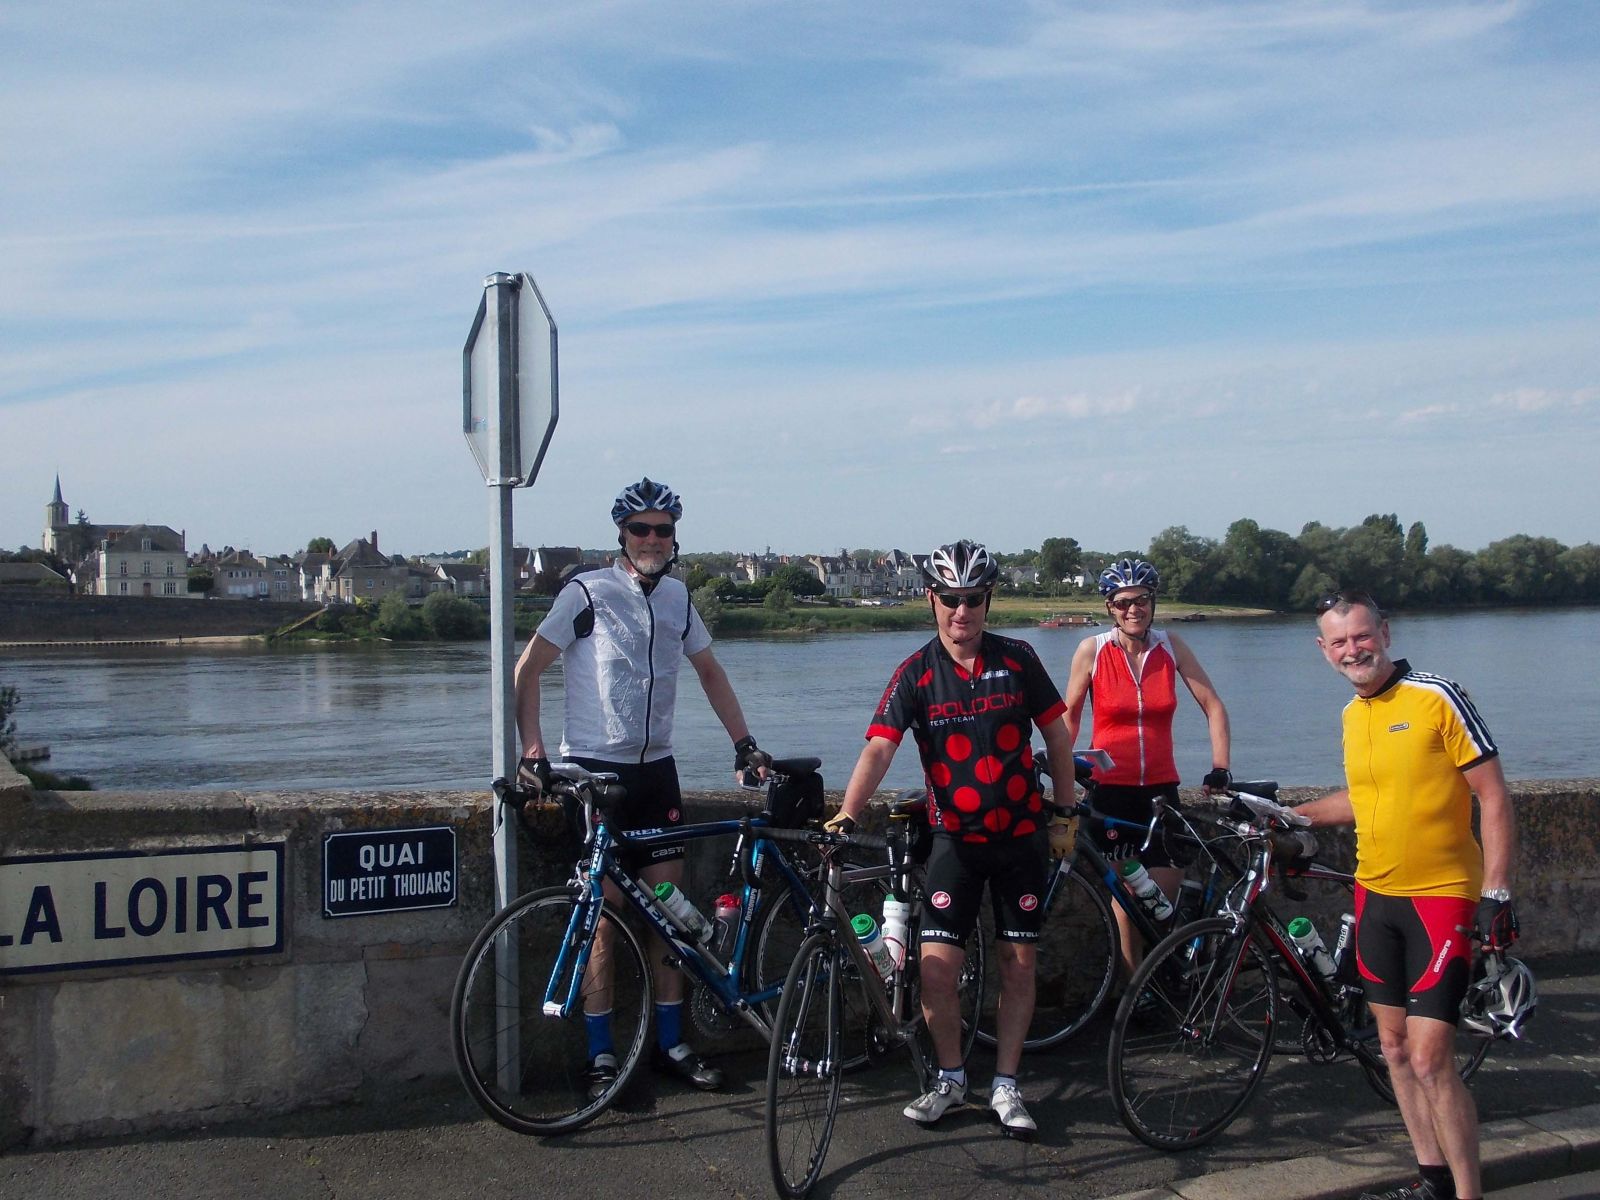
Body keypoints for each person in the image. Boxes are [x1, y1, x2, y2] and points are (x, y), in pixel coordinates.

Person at [513, 476, 769, 1097]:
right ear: (622, 536)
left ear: (674, 537)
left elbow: (709, 671)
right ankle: (603, 1056)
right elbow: (527, 670)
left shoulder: (679, 597)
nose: (653, 539)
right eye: (641, 529)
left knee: (669, 917)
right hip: (595, 776)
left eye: (663, 530)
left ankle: (672, 1043)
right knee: (603, 918)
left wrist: (744, 744)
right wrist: (532, 751)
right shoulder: (586, 593)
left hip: (657, 774)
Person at [824, 540, 1076, 1137]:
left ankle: (1008, 1086)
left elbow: (1058, 736)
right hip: (954, 844)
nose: (962, 613)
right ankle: (951, 1077)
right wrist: (847, 814)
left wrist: (1064, 813)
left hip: (1020, 838)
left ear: (988, 602)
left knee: (1019, 965)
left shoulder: (1017, 660)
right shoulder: (915, 672)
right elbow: (881, 746)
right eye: (951, 600)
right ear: (932, 600)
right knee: (936, 972)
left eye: (974, 600)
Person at [1294, 589, 1518, 1200]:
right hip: (1375, 897)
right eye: (1339, 642)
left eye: (1362, 636)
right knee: (1392, 1048)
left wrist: (1496, 893)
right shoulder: (1351, 716)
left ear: (1385, 634)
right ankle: (1431, 1182)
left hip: (1441, 898)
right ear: (1323, 651)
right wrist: (1293, 816)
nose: (1352, 650)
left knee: (1429, 1059)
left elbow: (1493, 796)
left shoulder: (1436, 696)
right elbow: (1365, 800)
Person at [1062, 558, 1231, 980]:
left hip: (1160, 792)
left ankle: (1165, 976)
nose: (1132, 610)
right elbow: (1068, 719)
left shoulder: (1170, 646)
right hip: (1110, 791)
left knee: (1160, 900)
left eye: (1141, 601)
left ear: (1153, 602)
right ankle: (1135, 987)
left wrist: (1219, 767)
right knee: (1126, 901)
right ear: (1110, 607)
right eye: (1123, 603)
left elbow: (1213, 706)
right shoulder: (1093, 650)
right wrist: (1064, 769)